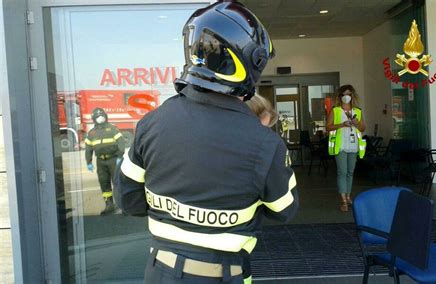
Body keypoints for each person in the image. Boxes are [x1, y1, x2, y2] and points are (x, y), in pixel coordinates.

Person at [114, 1, 299, 283]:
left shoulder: (151, 123)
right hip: (223, 275)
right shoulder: (265, 143)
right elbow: (284, 210)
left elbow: (128, 201)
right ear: (248, 63)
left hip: (160, 272)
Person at [326, 85, 366, 212]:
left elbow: (363, 128)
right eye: (343, 94)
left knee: (350, 172)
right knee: (342, 172)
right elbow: (328, 127)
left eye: (348, 94)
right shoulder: (335, 110)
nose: (346, 97)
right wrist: (342, 125)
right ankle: (343, 200)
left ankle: (348, 196)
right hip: (341, 144)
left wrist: (357, 123)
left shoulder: (358, 111)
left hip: (353, 145)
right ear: (340, 96)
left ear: (352, 95)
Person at [85, 107, 125, 215]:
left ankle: (121, 205)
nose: (100, 118)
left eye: (101, 115)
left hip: (113, 159)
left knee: (117, 183)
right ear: (94, 118)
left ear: (105, 116)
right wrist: (88, 162)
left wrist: (120, 156)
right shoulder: (91, 133)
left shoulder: (112, 129)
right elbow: (88, 148)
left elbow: (121, 142)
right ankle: (109, 205)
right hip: (101, 162)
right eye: (97, 116)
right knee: (104, 183)